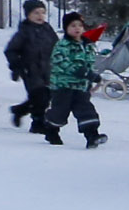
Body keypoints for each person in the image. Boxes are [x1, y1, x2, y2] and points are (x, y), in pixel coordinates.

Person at [39, 12, 104, 146]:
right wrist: (80, 71)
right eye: (73, 25)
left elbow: (89, 63)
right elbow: (61, 63)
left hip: (81, 87)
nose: (77, 28)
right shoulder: (62, 45)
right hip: (63, 86)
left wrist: (93, 75)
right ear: (66, 28)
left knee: (86, 110)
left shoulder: (88, 45)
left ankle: (92, 136)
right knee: (60, 112)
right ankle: (50, 130)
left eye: (80, 25)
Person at [3, 0, 57, 131]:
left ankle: (20, 110)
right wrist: (16, 66)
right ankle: (38, 123)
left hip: (48, 68)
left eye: (42, 12)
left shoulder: (47, 30)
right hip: (30, 69)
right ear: (28, 15)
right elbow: (11, 50)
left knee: (48, 95)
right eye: (36, 13)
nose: (40, 16)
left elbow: (57, 46)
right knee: (40, 96)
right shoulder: (24, 32)